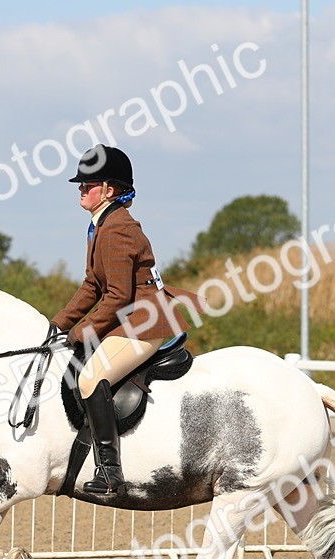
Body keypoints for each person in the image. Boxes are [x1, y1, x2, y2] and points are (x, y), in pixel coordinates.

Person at [50, 144, 200, 495]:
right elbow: (92, 284)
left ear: (110, 190)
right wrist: (58, 324)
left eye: (89, 184)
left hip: (145, 324)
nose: (81, 189)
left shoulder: (117, 228)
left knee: (90, 379)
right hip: (129, 319)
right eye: (81, 184)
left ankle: (110, 472)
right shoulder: (101, 224)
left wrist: (81, 332)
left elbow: (117, 296)